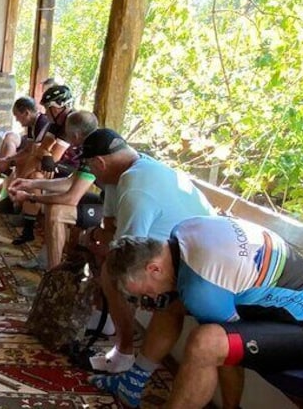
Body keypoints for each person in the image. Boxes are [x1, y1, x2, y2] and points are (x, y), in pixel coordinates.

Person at [97, 216, 303, 409]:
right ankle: (134, 380)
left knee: (205, 344)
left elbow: (228, 358)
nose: (149, 298)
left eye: (146, 291)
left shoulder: (201, 289)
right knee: (169, 302)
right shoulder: (184, 231)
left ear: (154, 268)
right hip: (296, 302)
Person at [79, 128, 216, 374]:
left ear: (99, 162)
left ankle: (123, 352)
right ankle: (106, 320)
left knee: (114, 270)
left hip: (197, 259)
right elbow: (110, 226)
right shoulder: (125, 172)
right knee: (103, 255)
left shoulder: (135, 188)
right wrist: (96, 238)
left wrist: (93, 240)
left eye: (90, 166)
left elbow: (123, 253)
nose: (91, 173)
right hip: (169, 248)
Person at [9, 110, 100, 268]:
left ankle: (52, 276)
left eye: (68, 135)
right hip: (109, 202)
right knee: (53, 204)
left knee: (57, 212)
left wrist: (31, 197)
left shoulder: (96, 151)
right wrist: (30, 184)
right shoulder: (94, 144)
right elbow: (69, 183)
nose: (68, 141)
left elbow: (71, 198)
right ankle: (47, 264)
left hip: (115, 212)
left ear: (76, 135)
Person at [0, 96, 51, 212]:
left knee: (28, 174)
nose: (16, 120)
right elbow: (27, 150)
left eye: (16, 115)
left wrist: (20, 179)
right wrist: (8, 159)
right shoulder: (32, 125)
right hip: (39, 159)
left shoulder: (42, 123)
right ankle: (11, 201)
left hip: (48, 164)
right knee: (18, 165)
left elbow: (34, 155)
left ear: (26, 113)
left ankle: (13, 202)